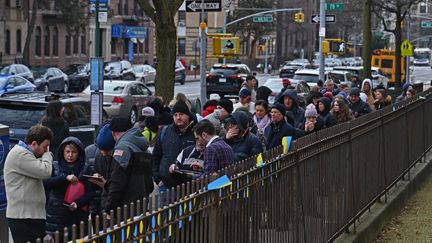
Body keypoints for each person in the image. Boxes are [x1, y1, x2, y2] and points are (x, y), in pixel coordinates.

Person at [5, 125, 53, 243]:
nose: (45, 150)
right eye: (45, 147)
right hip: (24, 218)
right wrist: (48, 155)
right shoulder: (20, 154)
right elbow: (45, 171)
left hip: (29, 216)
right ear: (34, 143)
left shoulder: (26, 155)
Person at [44, 137, 94, 237]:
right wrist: (65, 178)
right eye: (67, 151)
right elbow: (46, 183)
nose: (70, 155)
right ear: (63, 152)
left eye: (74, 152)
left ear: (79, 153)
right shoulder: (54, 166)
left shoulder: (85, 168)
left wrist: (77, 203)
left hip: (77, 215)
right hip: (56, 214)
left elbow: (90, 192)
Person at [104, 117, 151, 213]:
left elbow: (117, 182)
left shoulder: (122, 148)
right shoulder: (143, 148)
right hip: (141, 205)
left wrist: (109, 208)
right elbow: (150, 184)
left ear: (113, 133)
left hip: (125, 209)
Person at [153, 100, 197, 191]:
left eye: (181, 114)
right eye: (175, 115)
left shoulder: (196, 132)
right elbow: (156, 156)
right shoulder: (165, 131)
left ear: (188, 115)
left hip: (190, 186)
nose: (178, 117)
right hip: (166, 185)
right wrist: (157, 178)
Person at [87, 124, 116, 227]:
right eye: (102, 150)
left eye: (107, 151)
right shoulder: (99, 156)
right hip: (100, 203)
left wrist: (105, 184)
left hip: (112, 205)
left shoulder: (118, 157)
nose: (104, 153)